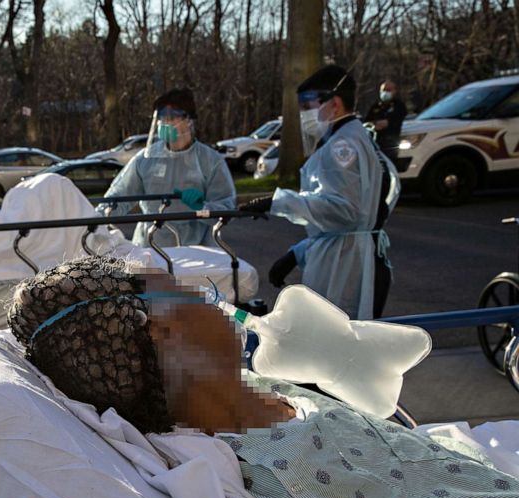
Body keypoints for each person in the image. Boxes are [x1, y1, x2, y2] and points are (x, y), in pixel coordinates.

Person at [1, 254, 519, 498]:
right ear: (164, 332)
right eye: (196, 294)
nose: (220, 303)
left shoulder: (252, 386)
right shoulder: (272, 478)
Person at [243, 65, 397, 319]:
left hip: (346, 269)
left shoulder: (342, 146)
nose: (304, 114)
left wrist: (279, 201)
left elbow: (344, 212)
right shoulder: (351, 137)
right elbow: (350, 219)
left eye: (307, 106)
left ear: (334, 102)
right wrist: (299, 252)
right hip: (348, 259)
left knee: (335, 348)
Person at [96, 88, 236, 249]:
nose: (165, 122)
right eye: (162, 117)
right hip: (149, 247)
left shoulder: (210, 161)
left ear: (189, 121)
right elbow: (118, 197)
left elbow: (225, 211)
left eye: (172, 117)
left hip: (197, 252)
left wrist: (202, 208)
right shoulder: (146, 159)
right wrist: (96, 219)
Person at [365, 80, 408, 162]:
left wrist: (388, 123)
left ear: (394, 91)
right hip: (376, 143)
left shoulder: (399, 105)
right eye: (383, 90)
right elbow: (367, 121)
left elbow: (399, 119)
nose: (385, 92)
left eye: (388, 90)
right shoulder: (376, 106)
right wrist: (375, 124)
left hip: (391, 144)